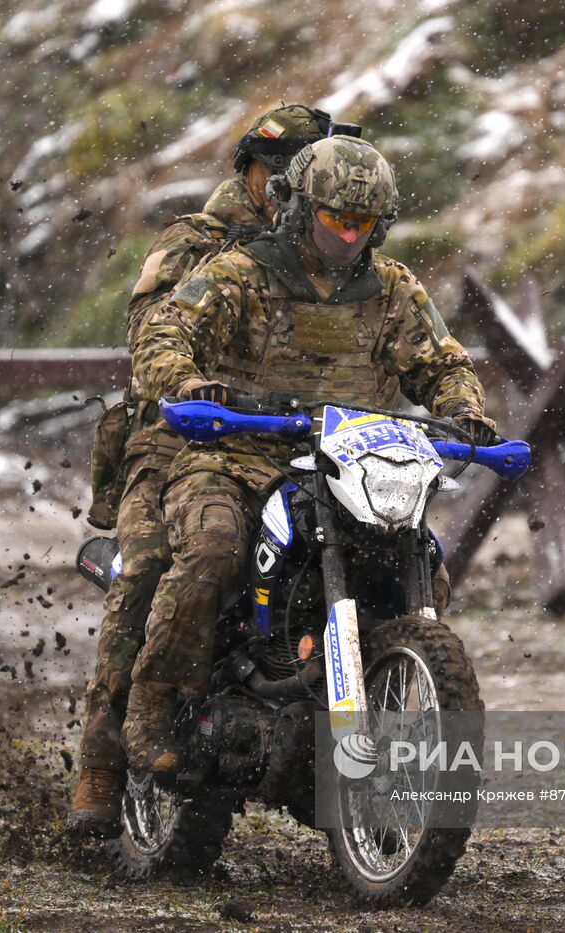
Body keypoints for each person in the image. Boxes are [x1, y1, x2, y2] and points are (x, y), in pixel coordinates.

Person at [122, 135, 497, 774]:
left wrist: (464, 409)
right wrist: (185, 383)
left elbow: (441, 362)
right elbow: (164, 331)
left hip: (351, 459)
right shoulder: (239, 271)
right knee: (212, 547)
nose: (349, 237)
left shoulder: (394, 289)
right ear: (298, 207)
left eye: (364, 224)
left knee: (421, 561)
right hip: (234, 454)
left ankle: (390, 696)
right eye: (336, 220)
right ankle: (152, 709)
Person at [69, 104, 353, 838]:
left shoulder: (333, 258)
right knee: (163, 560)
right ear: (257, 173)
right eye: (292, 172)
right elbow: (153, 337)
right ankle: (105, 750)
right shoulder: (197, 243)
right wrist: (188, 384)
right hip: (176, 442)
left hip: (294, 442)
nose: (305, 186)